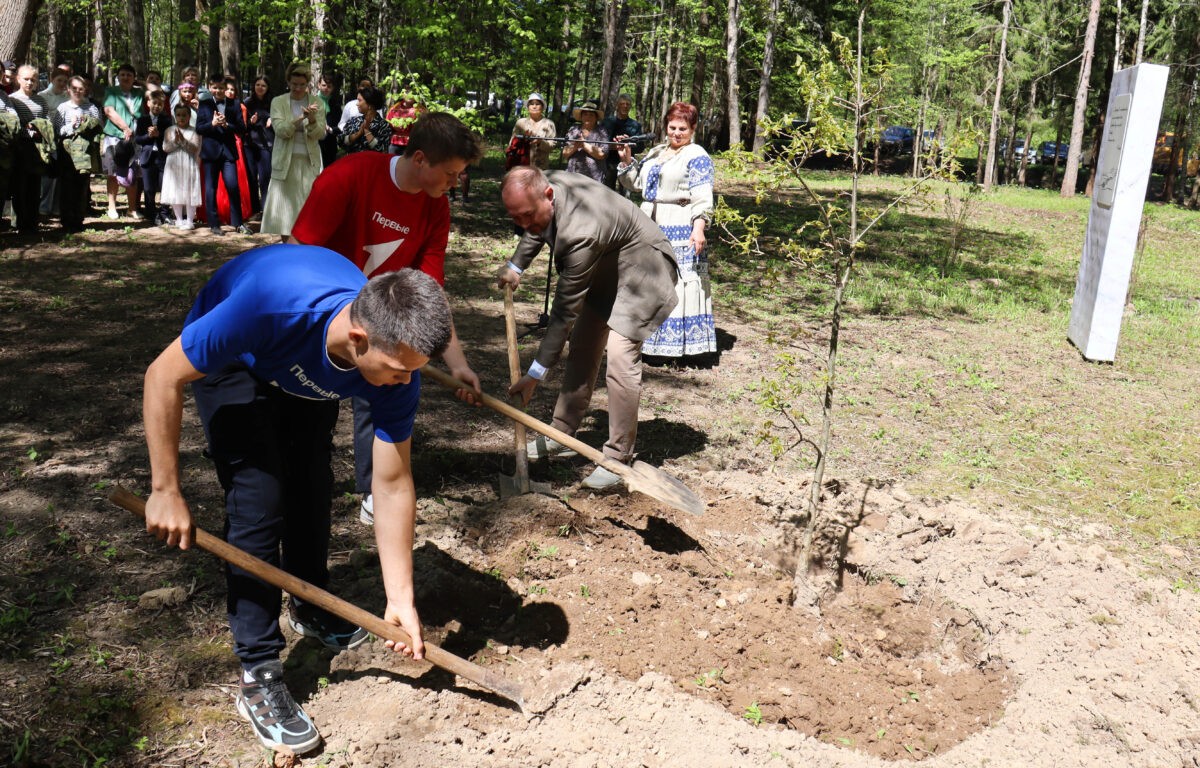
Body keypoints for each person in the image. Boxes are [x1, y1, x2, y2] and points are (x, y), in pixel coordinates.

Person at [142, 245, 453, 754]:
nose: (406, 381)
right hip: (240, 359)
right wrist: (165, 490)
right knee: (259, 500)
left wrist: (400, 597)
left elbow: (393, 483)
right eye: (398, 369)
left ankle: (309, 604)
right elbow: (162, 374)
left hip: (303, 373)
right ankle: (258, 671)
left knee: (311, 485)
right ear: (358, 339)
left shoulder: (396, 369)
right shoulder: (269, 308)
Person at [289, 111, 483, 521]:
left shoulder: (435, 209)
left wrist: (458, 363)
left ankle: (376, 491)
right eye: (449, 174)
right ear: (419, 159)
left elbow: (431, 295)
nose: (453, 184)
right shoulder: (352, 174)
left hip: (385, 318)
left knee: (393, 383)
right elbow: (298, 250)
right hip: (323, 316)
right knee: (308, 411)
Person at [498, 166, 679, 489]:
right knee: (583, 343)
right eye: (516, 217)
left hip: (644, 271)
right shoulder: (545, 184)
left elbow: (564, 311)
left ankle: (617, 456)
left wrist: (535, 374)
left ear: (548, 196)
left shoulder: (581, 232)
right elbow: (536, 223)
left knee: (621, 354)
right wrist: (516, 266)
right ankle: (561, 433)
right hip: (607, 268)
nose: (523, 224)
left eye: (526, 215)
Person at [618, 101, 716, 359]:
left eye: (682, 128)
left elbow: (703, 196)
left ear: (693, 128)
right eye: (672, 127)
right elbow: (635, 183)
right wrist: (627, 161)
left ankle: (678, 347)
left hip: (680, 223)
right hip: (650, 222)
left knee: (676, 282)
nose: (676, 133)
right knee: (647, 280)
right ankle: (647, 342)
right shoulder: (656, 152)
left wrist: (699, 228)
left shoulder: (697, 156)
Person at [260, 63, 324, 238]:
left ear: (308, 84)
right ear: (288, 81)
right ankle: (286, 248)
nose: (298, 88)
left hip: (308, 163)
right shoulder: (278, 102)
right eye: (294, 84)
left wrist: (312, 121)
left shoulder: (317, 103)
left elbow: (319, 134)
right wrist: (301, 117)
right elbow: (281, 131)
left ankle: (305, 251)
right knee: (284, 215)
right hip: (285, 163)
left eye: (302, 85)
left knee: (307, 211)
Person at [196, 75, 250, 236]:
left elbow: (241, 128)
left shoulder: (234, 104)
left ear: (225, 88)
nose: (218, 91)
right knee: (210, 188)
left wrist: (227, 125)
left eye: (221, 88)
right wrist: (212, 124)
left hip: (228, 152)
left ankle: (238, 223)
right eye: (215, 87)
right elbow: (199, 129)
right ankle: (214, 224)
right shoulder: (205, 104)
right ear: (209, 87)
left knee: (233, 186)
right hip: (210, 152)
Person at [54, 75, 102, 233]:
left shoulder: (92, 108)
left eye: (80, 89)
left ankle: (78, 219)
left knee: (82, 186)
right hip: (67, 152)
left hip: (86, 153)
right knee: (67, 187)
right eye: (74, 88)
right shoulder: (62, 108)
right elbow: (57, 130)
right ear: (68, 90)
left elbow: (98, 127)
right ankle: (66, 220)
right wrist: (71, 126)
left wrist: (86, 125)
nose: (77, 91)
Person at [8, 64, 51, 234]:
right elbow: (13, 123)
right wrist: (29, 130)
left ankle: (32, 222)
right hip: (20, 147)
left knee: (35, 185)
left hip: (38, 148)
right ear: (18, 79)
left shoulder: (40, 100)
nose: (29, 82)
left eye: (33, 79)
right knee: (20, 186)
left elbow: (46, 119)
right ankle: (19, 223)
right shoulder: (12, 99)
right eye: (26, 79)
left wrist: (43, 130)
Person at [101, 63, 144, 220]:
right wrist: (125, 128)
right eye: (122, 75)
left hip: (134, 139)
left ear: (134, 78)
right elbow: (109, 111)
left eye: (129, 75)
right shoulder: (111, 91)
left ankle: (131, 209)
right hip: (114, 137)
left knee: (133, 173)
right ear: (117, 77)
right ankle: (112, 207)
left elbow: (156, 92)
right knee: (113, 173)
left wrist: (141, 82)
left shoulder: (139, 93)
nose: (125, 78)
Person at [160, 102, 203, 229]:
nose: (181, 118)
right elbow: (165, 148)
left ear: (189, 116)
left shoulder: (194, 131)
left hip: (189, 163)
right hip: (173, 164)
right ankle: (178, 219)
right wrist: (176, 141)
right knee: (175, 190)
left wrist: (183, 141)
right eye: (178, 115)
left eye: (184, 115)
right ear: (175, 116)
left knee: (190, 190)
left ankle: (190, 220)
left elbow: (195, 148)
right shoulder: (169, 130)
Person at [38, 65, 72, 219]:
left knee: (59, 176)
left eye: (65, 81)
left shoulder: (67, 97)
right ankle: (43, 207)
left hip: (62, 138)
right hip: (46, 139)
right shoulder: (42, 96)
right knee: (47, 176)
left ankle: (56, 207)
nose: (62, 83)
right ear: (52, 80)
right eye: (59, 80)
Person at [135, 90, 172, 225]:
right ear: (148, 103)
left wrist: (159, 135)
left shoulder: (167, 120)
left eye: (160, 104)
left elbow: (170, 138)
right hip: (147, 157)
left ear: (163, 105)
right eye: (154, 103)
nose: (157, 106)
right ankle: (151, 213)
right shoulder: (142, 119)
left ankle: (165, 213)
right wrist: (148, 136)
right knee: (149, 188)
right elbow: (138, 139)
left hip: (163, 157)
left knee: (164, 186)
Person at [243, 75, 274, 215]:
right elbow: (242, 126)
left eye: (263, 85)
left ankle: (266, 210)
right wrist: (251, 122)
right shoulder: (247, 102)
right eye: (258, 85)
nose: (260, 88)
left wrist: (273, 120)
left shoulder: (273, 103)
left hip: (266, 145)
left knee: (265, 178)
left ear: (267, 88)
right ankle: (255, 210)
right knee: (251, 177)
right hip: (250, 145)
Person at [602, 93, 642, 190]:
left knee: (625, 193)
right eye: (622, 104)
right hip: (609, 162)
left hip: (627, 162)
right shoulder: (607, 122)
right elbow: (600, 143)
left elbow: (641, 146)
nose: (625, 106)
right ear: (617, 106)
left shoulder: (635, 125)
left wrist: (628, 145)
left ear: (630, 107)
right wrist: (613, 146)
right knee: (607, 191)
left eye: (627, 104)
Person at [563, 101, 608, 183]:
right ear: (581, 116)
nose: (588, 117)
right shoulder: (574, 129)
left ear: (596, 117)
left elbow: (602, 154)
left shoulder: (601, 131)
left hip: (594, 178)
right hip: (572, 175)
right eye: (585, 114)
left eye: (591, 115)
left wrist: (584, 145)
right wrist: (575, 147)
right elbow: (565, 153)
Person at [510, 92, 556, 170]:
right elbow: (512, 143)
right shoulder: (520, 123)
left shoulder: (549, 124)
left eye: (537, 104)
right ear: (528, 107)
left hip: (541, 168)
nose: (534, 106)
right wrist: (523, 140)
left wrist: (540, 142)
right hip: (521, 166)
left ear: (542, 107)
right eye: (531, 104)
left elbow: (552, 146)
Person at [338, 86, 390, 154]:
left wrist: (367, 131)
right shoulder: (354, 121)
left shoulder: (383, 125)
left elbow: (382, 150)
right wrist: (357, 134)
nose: (357, 104)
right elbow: (341, 141)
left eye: (359, 100)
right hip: (353, 163)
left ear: (370, 104)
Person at [315, 73, 342, 168]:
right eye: (323, 85)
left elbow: (341, 126)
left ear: (333, 88)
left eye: (329, 86)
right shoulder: (311, 101)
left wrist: (330, 129)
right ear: (318, 85)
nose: (326, 88)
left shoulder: (335, 105)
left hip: (330, 145)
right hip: (314, 144)